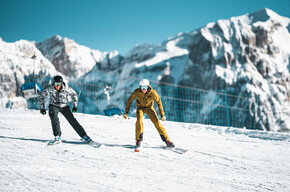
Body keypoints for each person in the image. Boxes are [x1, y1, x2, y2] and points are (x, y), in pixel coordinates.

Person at [38, 75, 92, 144]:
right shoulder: (49, 88)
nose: (57, 86)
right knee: (53, 116)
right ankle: (57, 136)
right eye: (56, 84)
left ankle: (84, 135)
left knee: (72, 120)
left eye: (59, 84)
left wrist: (74, 106)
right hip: (53, 105)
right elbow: (41, 97)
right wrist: (42, 108)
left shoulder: (67, 88)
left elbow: (74, 95)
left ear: (62, 83)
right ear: (53, 83)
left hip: (64, 106)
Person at [123, 79, 175, 149]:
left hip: (149, 108)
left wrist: (162, 114)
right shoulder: (137, 92)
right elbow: (129, 100)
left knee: (157, 123)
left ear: (148, 87)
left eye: (145, 88)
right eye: (142, 88)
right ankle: (138, 140)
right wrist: (126, 112)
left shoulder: (153, 93)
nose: (143, 90)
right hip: (140, 108)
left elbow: (159, 102)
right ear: (139, 87)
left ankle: (167, 141)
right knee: (139, 121)